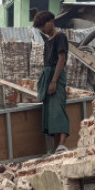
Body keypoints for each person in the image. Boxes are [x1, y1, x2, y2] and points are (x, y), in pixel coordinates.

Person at [34, 11, 70, 153]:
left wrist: (54, 81)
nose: (42, 29)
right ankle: (55, 148)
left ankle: (62, 144)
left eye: (43, 25)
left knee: (58, 110)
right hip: (47, 75)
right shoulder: (48, 41)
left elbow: (61, 59)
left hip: (56, 76)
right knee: (49, 113)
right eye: (40, 27)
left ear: (51, 21)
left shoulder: (60, 36)